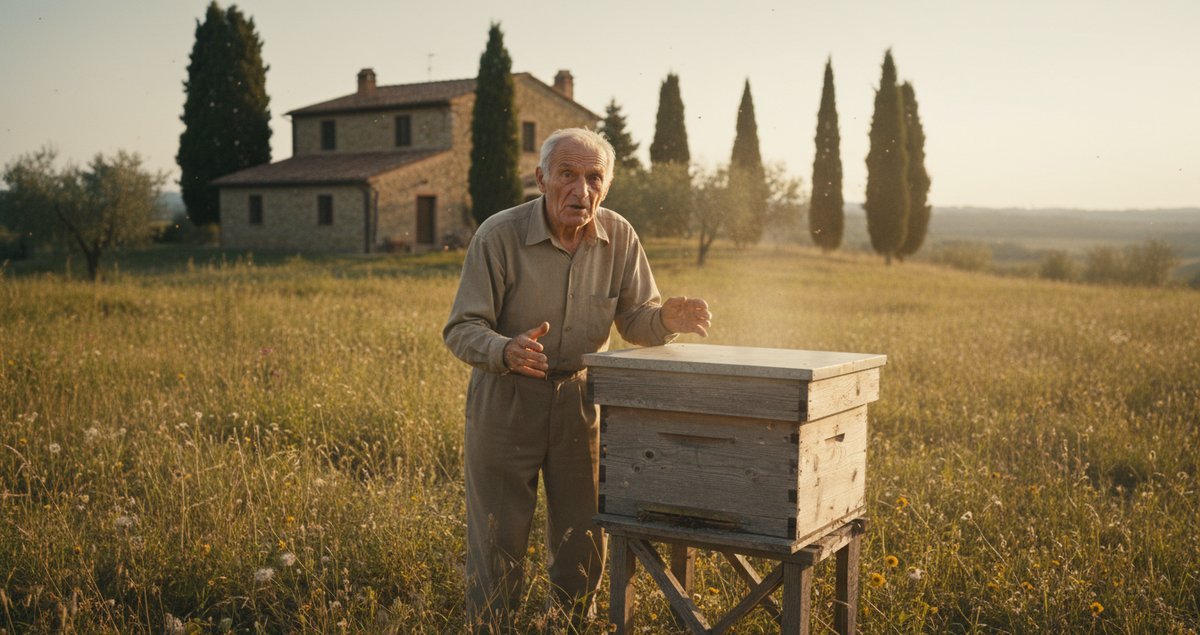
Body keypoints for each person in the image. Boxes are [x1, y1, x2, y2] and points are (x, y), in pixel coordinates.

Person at [443, 127, 711, 631]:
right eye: (567, 175)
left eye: (593, 177)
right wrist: (506, 349)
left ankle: (569, 625)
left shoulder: (620, 236)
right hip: (506, 401)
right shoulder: (498, 236)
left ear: (606, 185)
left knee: (584, 538)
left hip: (582, 403)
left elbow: (636, 319)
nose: (580, 190)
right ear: (541, 178)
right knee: (498, 538)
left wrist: (667, 321)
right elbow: (462, 328)